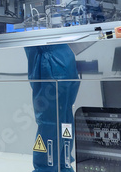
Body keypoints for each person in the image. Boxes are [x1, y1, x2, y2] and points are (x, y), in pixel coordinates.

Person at [25, 43, 80, 172]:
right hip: (65, 59)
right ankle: (63, 165)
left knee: (50, 120)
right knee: (64, 118)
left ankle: (46, 168)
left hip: (50, 61)